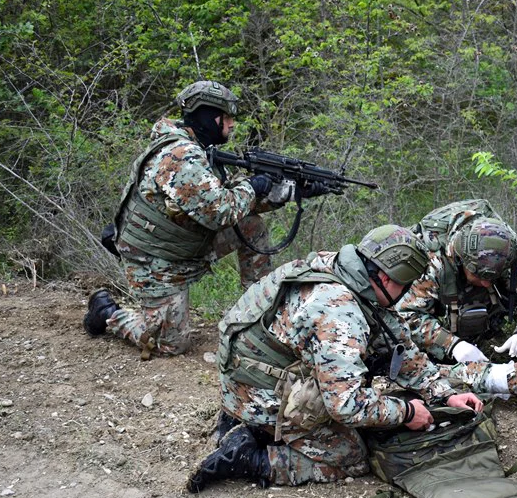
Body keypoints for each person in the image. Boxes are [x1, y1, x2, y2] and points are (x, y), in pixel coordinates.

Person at [187, 224, 483, 492]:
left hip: (246, 374)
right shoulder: (339, 312)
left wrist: (445, 394)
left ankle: (250, 423)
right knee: (351, 456)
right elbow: (345, 405)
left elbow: (397, 345)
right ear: (383, 276)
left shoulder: (344, 269)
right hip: (256, 391)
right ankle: (249, 458)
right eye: (403, 285)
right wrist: (406, 412)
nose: (405, 294)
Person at [83, 80, 334, 357]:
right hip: (155, 259)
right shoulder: (180, 155)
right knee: (170, 345)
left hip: (185, 244)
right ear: (206, 116)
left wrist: (293, 191)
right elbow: (220, 212)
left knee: (250, 226)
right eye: (225, 117)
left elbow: (237, 204)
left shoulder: (199, 149)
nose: (231, 124)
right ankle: (108, 312)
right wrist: (253, 186)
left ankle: (257, 314)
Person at [397, 200, 517, 396]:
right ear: (461, 261)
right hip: (440, 319)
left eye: (492, 277)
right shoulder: (432, 260)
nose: (486, 283)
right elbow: (407, 316)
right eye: (479, 276)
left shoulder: (509, 251)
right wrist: (452, 344)